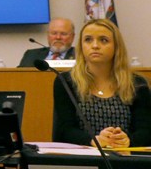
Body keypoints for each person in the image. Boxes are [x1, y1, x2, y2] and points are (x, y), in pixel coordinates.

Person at [52, 19, 151, 147]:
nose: (95, 46)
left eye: (103, 40)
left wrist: (128, 141)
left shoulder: (137, 83)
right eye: (88, 40)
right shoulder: (67, 81)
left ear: (116, 46)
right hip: (84, 156)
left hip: (125, 154)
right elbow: (64, 130)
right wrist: (94, 140)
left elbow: (146, 131)